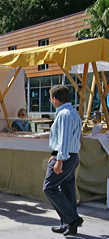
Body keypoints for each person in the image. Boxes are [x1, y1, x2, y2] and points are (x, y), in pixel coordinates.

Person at [43, 85, 83, 236]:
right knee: (67, 190)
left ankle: (72, 219)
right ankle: (67, 223)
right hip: (70, 155)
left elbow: (64, 139)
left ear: (54, 99)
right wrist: (56, 155)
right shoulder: (72, 112)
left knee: (49, 188)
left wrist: (59, 159)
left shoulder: (64, 114)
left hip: (65, 157)